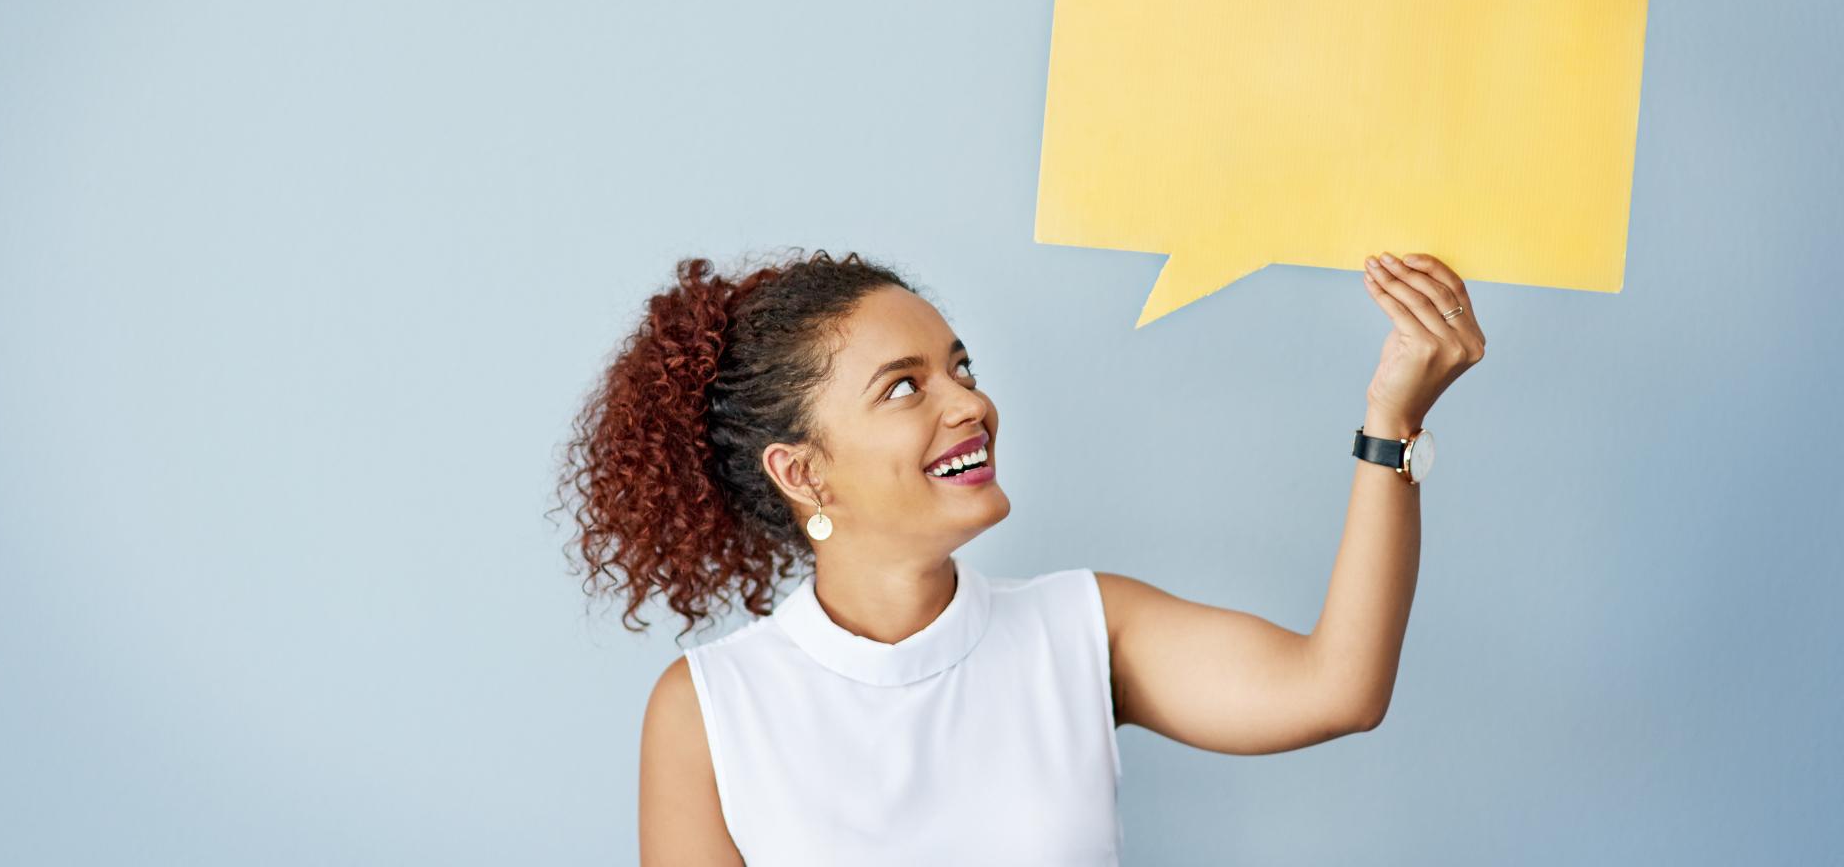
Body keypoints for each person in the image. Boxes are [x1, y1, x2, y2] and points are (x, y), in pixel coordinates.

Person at [555, 247, 1485, 866]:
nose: (969, 403)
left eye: (961, 367)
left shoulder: (1085, 630)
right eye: (904, 388)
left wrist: (1391, 426)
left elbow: (1338, 687)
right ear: (802, 472)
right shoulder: (711, 710)